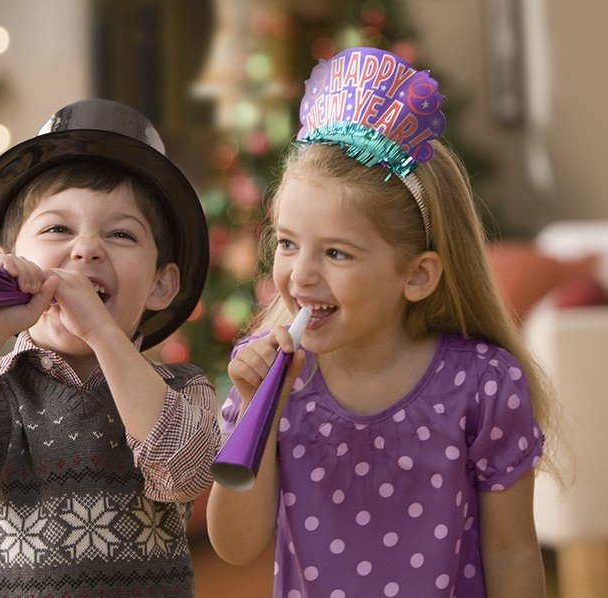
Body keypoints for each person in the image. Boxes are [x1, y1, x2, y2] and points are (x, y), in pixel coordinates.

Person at [207, 47, 554, 597]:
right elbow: (234, 545)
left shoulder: (485, 385)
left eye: (337, 253)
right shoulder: (269, 380)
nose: (301, 274)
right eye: (289, 244)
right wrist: (259, 410)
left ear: (415, 276)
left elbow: (512, 553)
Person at [0, 99, 220, 597]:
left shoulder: (180, 390)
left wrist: (103, 333)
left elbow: (185, 472)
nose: (86, 249)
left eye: (120, 234)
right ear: (7, 261)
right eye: (57, 229)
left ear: (161, 285)